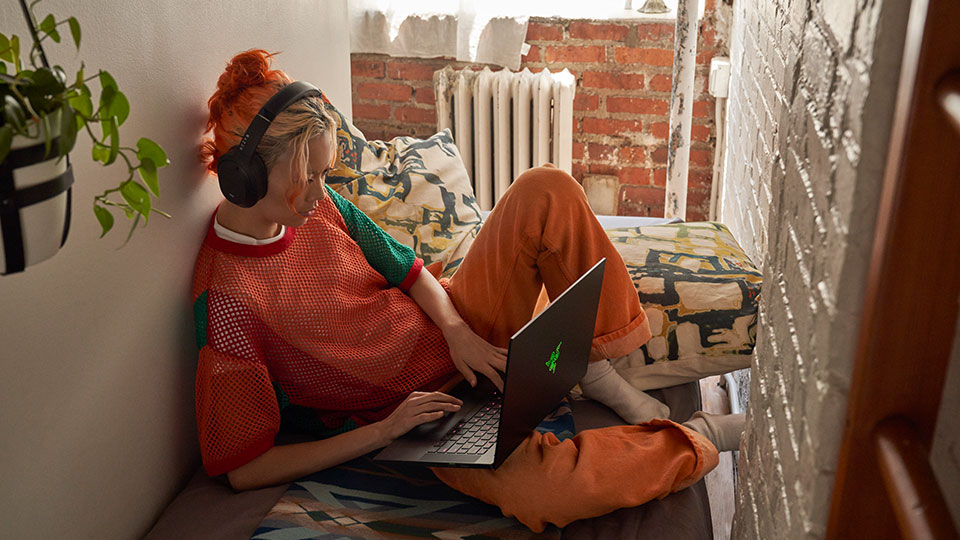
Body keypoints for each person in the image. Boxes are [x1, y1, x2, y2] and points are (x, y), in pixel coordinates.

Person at [193, 49, 744, 532]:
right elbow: (246, 468)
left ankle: (596, 370)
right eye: (307, 177)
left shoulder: (322, 208)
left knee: (543, 187)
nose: (321, 191)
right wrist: (386, 430)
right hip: (420, 415)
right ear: (247, 177)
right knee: (541, 493)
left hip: (460, 330)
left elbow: (407, 269)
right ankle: (699, 437)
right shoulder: (228, 303)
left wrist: (456, 330)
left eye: (323, 173)